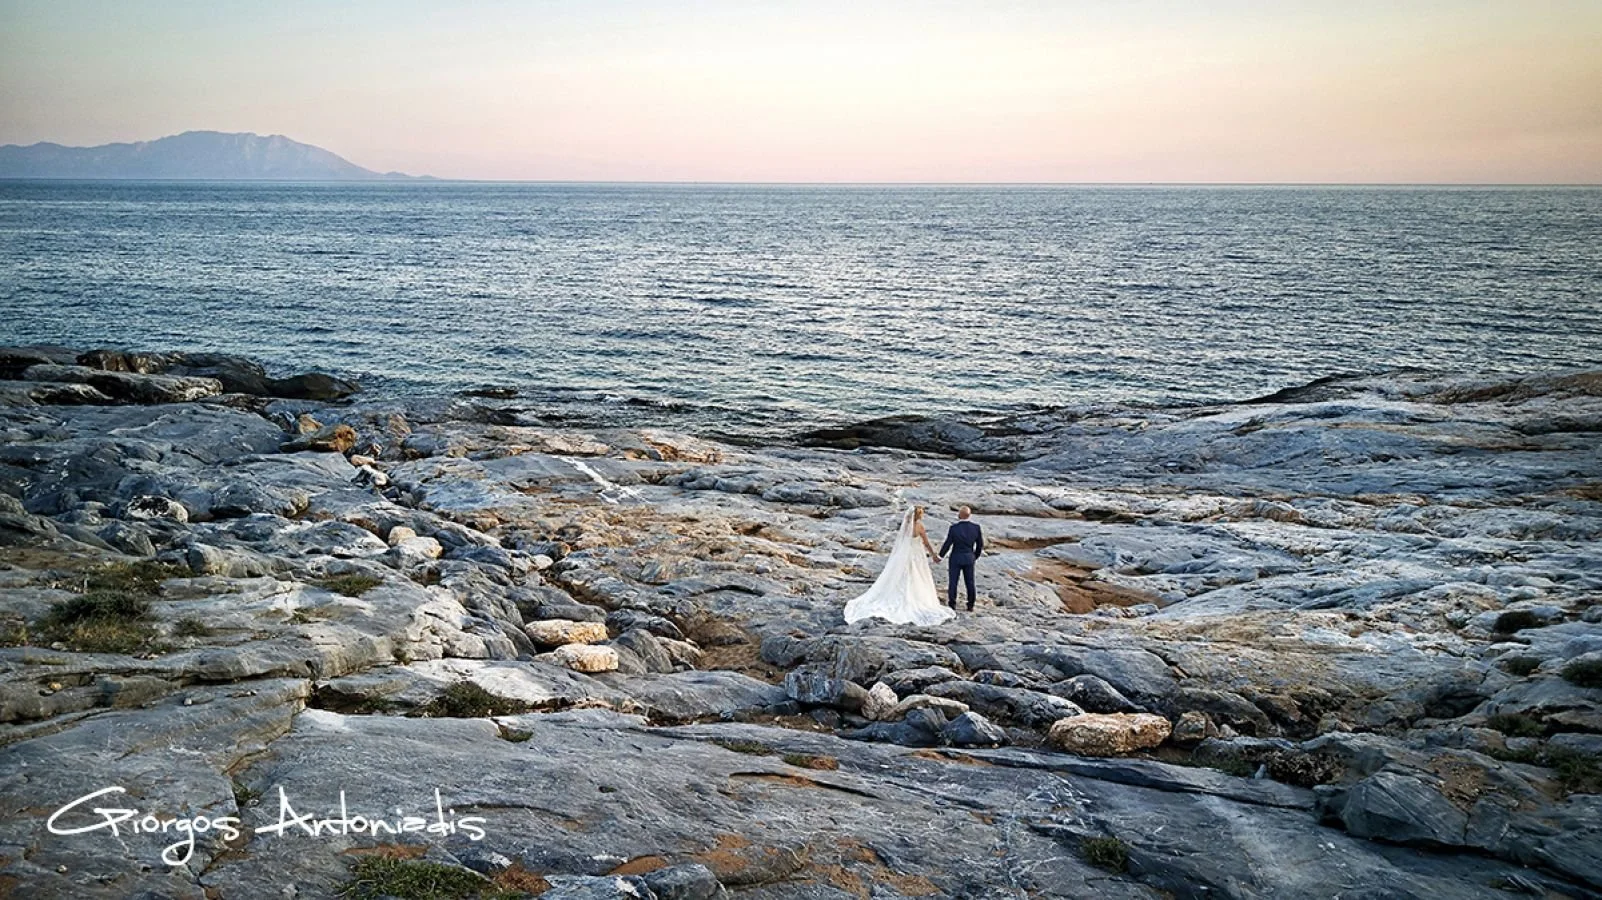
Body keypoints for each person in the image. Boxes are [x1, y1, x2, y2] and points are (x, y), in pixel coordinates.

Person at [842, 506, 955, 626]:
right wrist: (933, 555)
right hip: (916, 554)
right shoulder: (919, 527)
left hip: (904, 554)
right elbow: (926, 543)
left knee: (903, 574)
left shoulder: (905, 526)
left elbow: (901, 540)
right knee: (916, 574)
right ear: (918, 516)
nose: (923, 516)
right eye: (922, 514)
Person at [937, 506, 983, 611]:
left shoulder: (954, 528)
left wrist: (940, 556)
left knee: (953, 582)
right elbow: (980, 545)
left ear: (960, 515)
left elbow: (948, 544)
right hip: (969, 558)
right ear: (969, 515)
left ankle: (952, 604)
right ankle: (970, 605)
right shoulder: (976, 528)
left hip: (956, 558)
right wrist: (974, 556)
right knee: (970, 582)